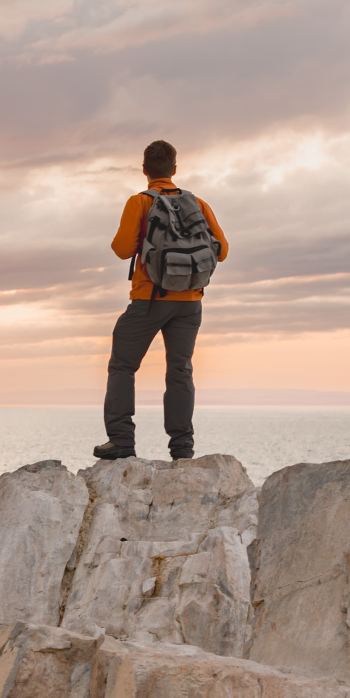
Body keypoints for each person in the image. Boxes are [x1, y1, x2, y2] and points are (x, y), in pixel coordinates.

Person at [93, 140, 229, 461]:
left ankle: (122, 440)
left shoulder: (139, 202)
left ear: (144, 170)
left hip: (150, 297)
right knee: (180, 371)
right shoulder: (198, 203)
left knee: (123, 366)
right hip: (191, 301)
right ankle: (182, 449)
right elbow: (221, 250)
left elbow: (122, 249)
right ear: (175, 170)